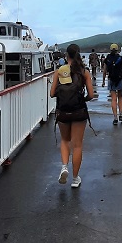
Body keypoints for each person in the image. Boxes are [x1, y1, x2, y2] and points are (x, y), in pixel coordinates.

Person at [50, 43, 95, 188]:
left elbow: (52, 94)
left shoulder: (59, 71)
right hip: (79, 111)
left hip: (63, 111)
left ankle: (64, 167)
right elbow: (91, 94)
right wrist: (83, 99)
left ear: (66, 55)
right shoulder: (84, 71)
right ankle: (75, 179)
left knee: (64, 140)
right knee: (77, 145)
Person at [104, 44, 122, 125]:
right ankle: (121, 114)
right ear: (118, 50)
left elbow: (105, 70)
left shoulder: (108, 59)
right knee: (120, 97)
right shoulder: (121, 58)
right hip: (120, 79)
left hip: (111, 79)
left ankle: (115, 117)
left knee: (113, 98)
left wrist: (103, 81)